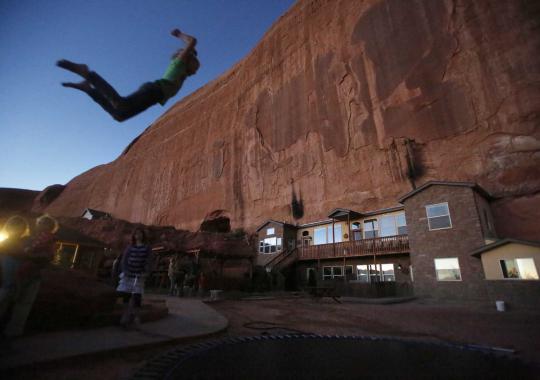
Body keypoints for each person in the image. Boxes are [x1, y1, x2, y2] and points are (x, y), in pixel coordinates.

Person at [57, 29, 199, 121]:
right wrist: (179, 34)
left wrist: (191, 55)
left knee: (119, 115)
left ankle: (89, 89)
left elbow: (192, 57)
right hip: (154, 90)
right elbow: (192, 42)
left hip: (155, 96)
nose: (197, 68)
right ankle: (88, 74)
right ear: (187, 59)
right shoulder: (178, 64)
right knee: (120, 104)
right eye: (195, 64)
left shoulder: (183, 72)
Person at [3, 215, 58, 337]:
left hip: (27, 275)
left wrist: (28, 255)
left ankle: (12, 332)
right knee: (17, 302)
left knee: (19, 302)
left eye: (42, 224)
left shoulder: (37, 240)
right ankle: (12, 331)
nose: (39, 226)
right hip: (25, 275)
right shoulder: (32, 239)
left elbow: (45, 257)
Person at [0, 216, 31, 336]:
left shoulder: (19, 247)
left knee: (6, 314)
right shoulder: (14, 246)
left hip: (11, 285)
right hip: (6, 285)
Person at [116, 228, 153, 329]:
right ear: (134, 236)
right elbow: (124, 260)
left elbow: (149, 261)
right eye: (136, 234)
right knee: (126, 296)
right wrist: (126, 271)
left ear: (143, 235)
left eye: (140, 233)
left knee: (136, 297)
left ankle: (135, 317)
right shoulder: (130, 247)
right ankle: (125, 315)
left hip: (139, 275)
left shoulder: (147, 247)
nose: (138, 235)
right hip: (128, 275)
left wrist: (146, 272)